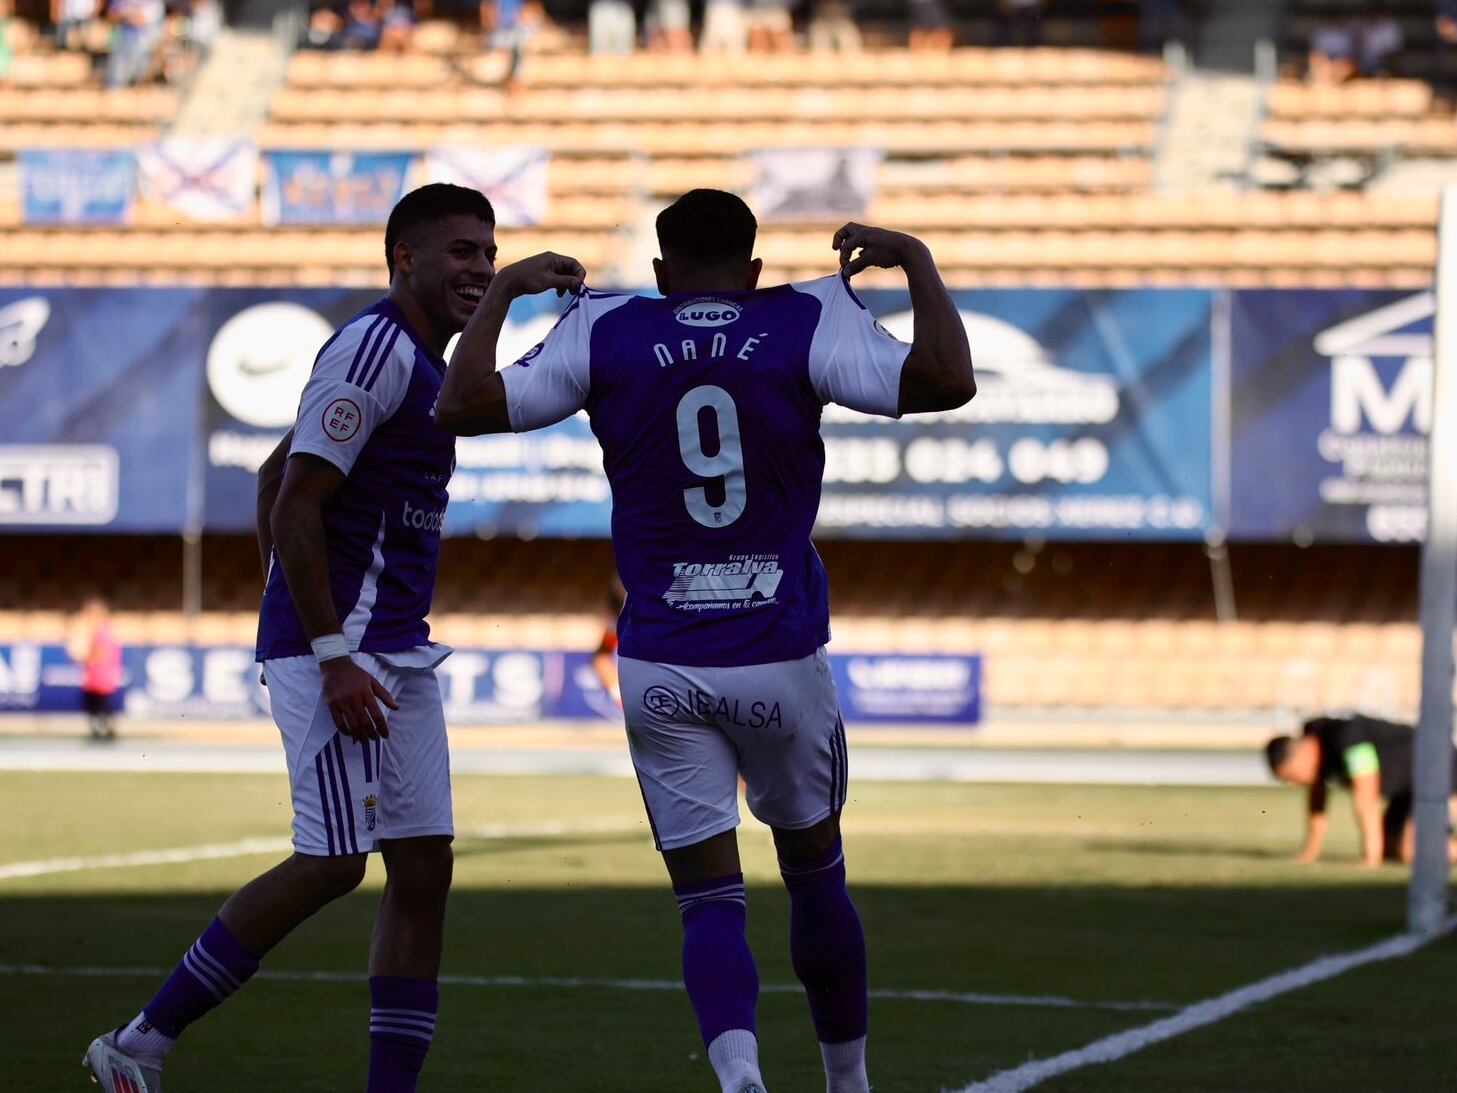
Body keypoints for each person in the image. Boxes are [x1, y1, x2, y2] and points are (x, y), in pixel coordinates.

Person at [435, 189, 974, 1093]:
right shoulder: (804, 313)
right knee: (813, 874)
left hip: (660, 657)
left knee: (707, 900)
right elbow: (948, 381)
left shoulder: (604, 325)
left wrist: (507, 292)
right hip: (777, 650)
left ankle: (738, 1076)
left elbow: (461, 404)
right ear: (755, 268)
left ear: (658, 271)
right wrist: (914, 256)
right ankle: (848, 1083)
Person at [84, 183, 499, 1093]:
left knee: (424, 864)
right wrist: (321, 647)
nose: (479, 265)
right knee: (333, 861)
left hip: (395, 645)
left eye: (488, 250)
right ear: (406, 260)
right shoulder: (376, 345)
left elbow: (277, 468)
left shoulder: (424, 360)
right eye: (460, 250)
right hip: (343, 648)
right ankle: (139, 1041)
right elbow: (299, 499)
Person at [1266, 714, 1457, 867]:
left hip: (1437, 768)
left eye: (1290, 777)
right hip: (1407, 790)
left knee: (1411, 850)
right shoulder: (1316, 739)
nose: (1293, 784)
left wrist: (1370, 858)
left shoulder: (1349, 738)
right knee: (1389, 849)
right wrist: (1310, 852)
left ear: (1301, 757)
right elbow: (1317, 801)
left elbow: (1366, 797)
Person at [70, 597, 122, 741]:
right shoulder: (100, 631)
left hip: (100, 674)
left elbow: (100, 653)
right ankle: (101, 729)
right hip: (95, 674)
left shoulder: (102, 632)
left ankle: (104, 730)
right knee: (93, 703)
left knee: (100, 703)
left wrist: (85, 657)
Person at [1308, 16, 1356, 84]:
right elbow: (1315, 54)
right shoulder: (1322, 34)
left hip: (1341, 64)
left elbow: (1349, 56)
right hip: (1324, 64)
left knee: (1345, 67)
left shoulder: (1347, 35)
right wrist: (1326, 65)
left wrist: (1337, 64)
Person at [1357, 11, 1402, 78]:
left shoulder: (1390, 27)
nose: (1374, 16)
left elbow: (1396, 47)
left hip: (1386, 59)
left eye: (1376, 14)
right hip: (1367, 61)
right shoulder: (1365, 27)